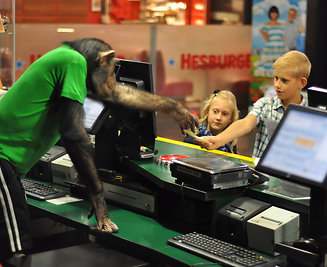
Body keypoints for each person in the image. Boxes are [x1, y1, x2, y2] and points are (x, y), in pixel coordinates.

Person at [0, 38, 198, 260]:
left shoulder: (72, 61)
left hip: (9, 164)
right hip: (2, 160)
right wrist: (98, 198)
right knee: (15, 249)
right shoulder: (73, 61)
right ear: (103, 59)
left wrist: (172, 106)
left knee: (16, 242)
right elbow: (74, 134)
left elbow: (118, 93)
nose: (113, 81)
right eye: (112, 72)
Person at [199, 50, 311, 159]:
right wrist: (218, 140)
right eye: (276, 78)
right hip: (262, 175)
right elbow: (245, 124)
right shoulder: (266, 105)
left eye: (284, 81)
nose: (277, 85)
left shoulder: (312, 114)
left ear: (302, 83)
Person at [255, 6, 288, 77]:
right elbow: (266, 38)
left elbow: (283, 37)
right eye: (272, 13)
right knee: (269, 66)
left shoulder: (281, 25)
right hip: (270, 48)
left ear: (277, 14)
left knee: (280, 66)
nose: (274, 15)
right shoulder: (266, 25)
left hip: (280, 48)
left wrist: (286, 48)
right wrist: (262, 32)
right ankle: (270, 85)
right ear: (270, 14)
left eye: (275, 13)